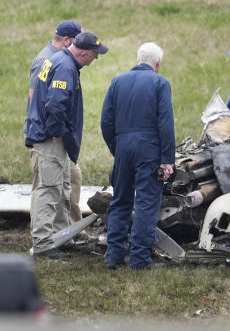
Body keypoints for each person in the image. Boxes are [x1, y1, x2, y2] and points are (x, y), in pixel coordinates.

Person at [24, 30, 108, 259]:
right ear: (82, 53)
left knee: (61, 188)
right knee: (50, 190)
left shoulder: (62, 61)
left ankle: (62, 236)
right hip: (50, 140)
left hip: (50, 138)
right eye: (94, 54)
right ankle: (43, 244)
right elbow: (55, 105)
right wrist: (58, 133)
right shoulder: (65, 67)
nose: (96, 58)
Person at [100, 42, 175, 270]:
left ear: (138, 58)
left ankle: (114, 255)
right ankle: (140, 259)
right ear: (158, 64)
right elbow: (165, 123)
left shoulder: (117, 82)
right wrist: (167, 159)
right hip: (149, 148)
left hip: (123, 146)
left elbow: (106, 122)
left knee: (120, 200)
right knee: (146, 203)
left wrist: (117, 148)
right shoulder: (160, 83)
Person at [26, 20, 86, 223]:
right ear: (68, 40)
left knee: (70, 181)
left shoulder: (58, 59)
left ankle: (69, 230)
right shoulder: (46, 60)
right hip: (48, 137)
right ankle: (41, 233)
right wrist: (56, 132)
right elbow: (37, 99)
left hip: (56, 135)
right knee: (45, 187)